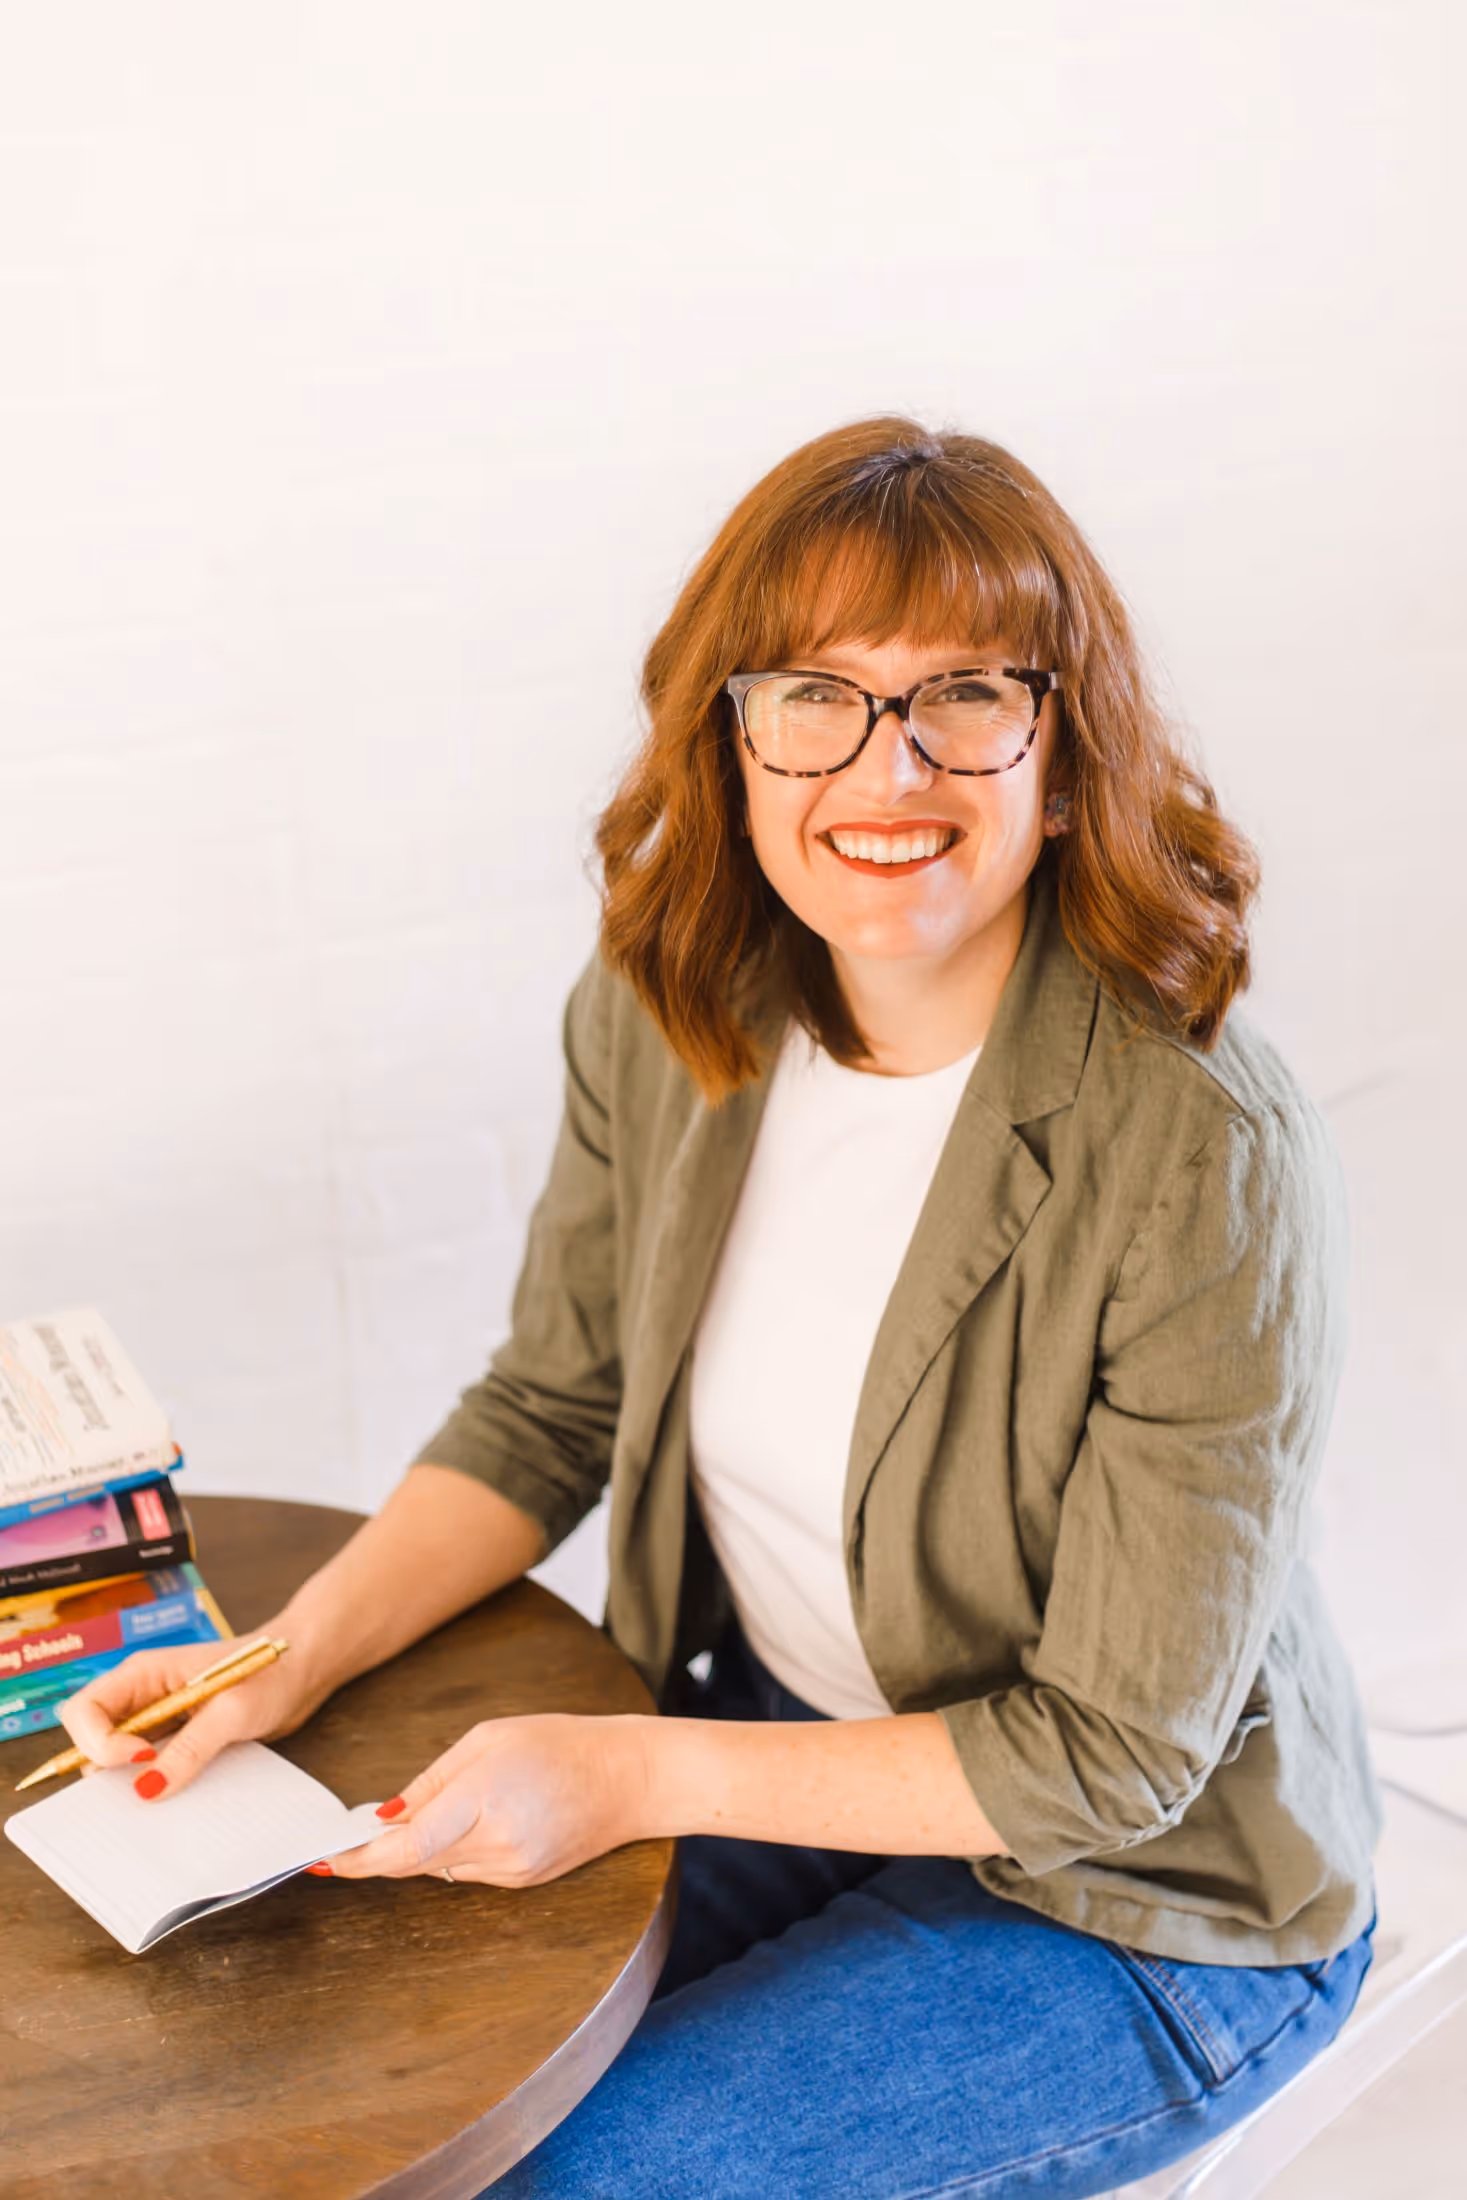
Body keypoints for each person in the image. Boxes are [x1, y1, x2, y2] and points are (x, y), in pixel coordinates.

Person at [61, 417, 1383, 2197]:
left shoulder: (1199, 1144)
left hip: (1132, 1896)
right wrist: (281, 1660)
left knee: (551, 2184)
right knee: (306, 2068)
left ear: (1065, 754)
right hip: (778, 1738)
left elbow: (1105, 1760)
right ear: (734, 740)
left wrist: (623, 1779)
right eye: (814, 698)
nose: (884, 768)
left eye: (966, 695)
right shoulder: (671, 1002)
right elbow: (551, 1403)